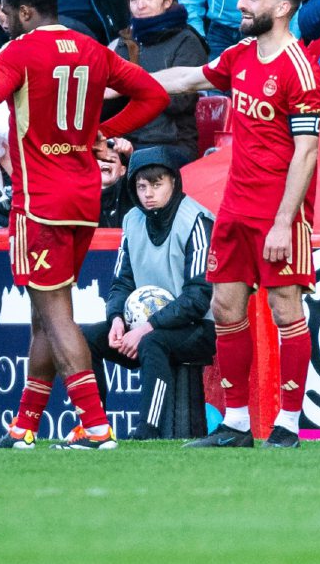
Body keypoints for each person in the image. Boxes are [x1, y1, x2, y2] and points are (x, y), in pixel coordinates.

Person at [0, 0, 168, 450]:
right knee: (45, 313)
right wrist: (101, 134)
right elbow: (154, 94)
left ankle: (95, 425)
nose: (1, 21)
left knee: (55, 313)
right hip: (84, 199)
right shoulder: (91, 48)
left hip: (39, 201)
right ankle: (24, 426)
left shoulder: (18, 53)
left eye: (6, 11)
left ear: (26, 11)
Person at [151, 0, 320, 449]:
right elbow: (190, 78)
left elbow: (306, 152)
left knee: (284, 307)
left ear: (282, 8)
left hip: (279, 214)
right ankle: (238, 424)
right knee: (225, 308)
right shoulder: (241, 54)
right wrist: (126, 79)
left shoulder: (301, 71)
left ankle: (288, 425)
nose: (241, 4)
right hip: (234, 207)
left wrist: (283, 223)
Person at [81, 147, 215, 440]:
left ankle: (148, 431)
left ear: (174, 183)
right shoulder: (132, 221)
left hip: (199, 330)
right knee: (85, 339)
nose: (148, 194)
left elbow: (199, 296)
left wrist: (146, 328)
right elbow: (121, 282)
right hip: (142, 327)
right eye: (142, 186)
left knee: (154, 342)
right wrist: (117, 318)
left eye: (157, 184)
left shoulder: (197, 220)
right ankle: (95, 427)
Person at [109, 0, 208, 165]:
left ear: (167, 1)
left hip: (171, 144)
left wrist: (129, 86)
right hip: (126, 142)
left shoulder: (186, 41)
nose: (141, 5)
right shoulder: (125, 42)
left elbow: (178, 101)